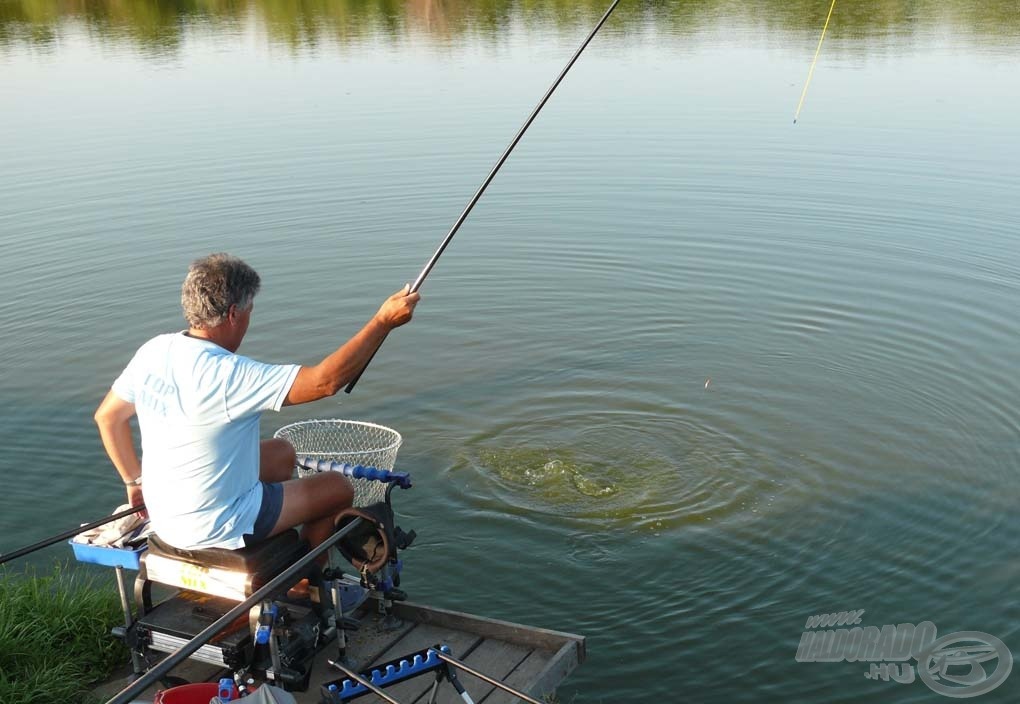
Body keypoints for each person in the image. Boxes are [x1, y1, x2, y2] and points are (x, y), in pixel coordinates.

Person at [94, 253, 419, 555]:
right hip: (215, 526)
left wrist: (135, 483)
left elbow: (108, 418)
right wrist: (382, 323)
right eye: (250, 311)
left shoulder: (155, 350)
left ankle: (272, 524)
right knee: (337, 488)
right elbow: (325, 381)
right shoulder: (230, 375)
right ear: (234, 314)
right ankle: (303, 582)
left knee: (283, 454)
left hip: (165, 515)